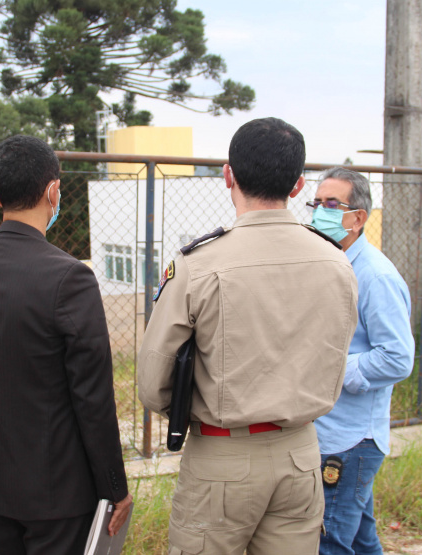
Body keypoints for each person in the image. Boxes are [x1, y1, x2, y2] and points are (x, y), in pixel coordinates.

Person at [138, 117, 359, 555]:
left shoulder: (198, 264)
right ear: (297, 186)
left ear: (228, 176)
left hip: (222, 456)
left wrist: (191, 410)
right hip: (300, 452)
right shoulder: (336, 263)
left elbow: (152, 384)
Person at [0, 135, 131, 555]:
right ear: (53, 192)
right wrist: (115, 487)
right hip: (56, 489)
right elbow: (93, 398)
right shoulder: (70, 279)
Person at [310, 167, 415, 555]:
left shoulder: (375, 276)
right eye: (317, 203)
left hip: (350, 442)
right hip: (330, 431)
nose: (321, 212)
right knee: (360, 540)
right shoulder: (332, 263)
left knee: (329, 542)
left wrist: (333, 371)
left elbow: (398, 358)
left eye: (332, 204)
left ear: (358, 217)